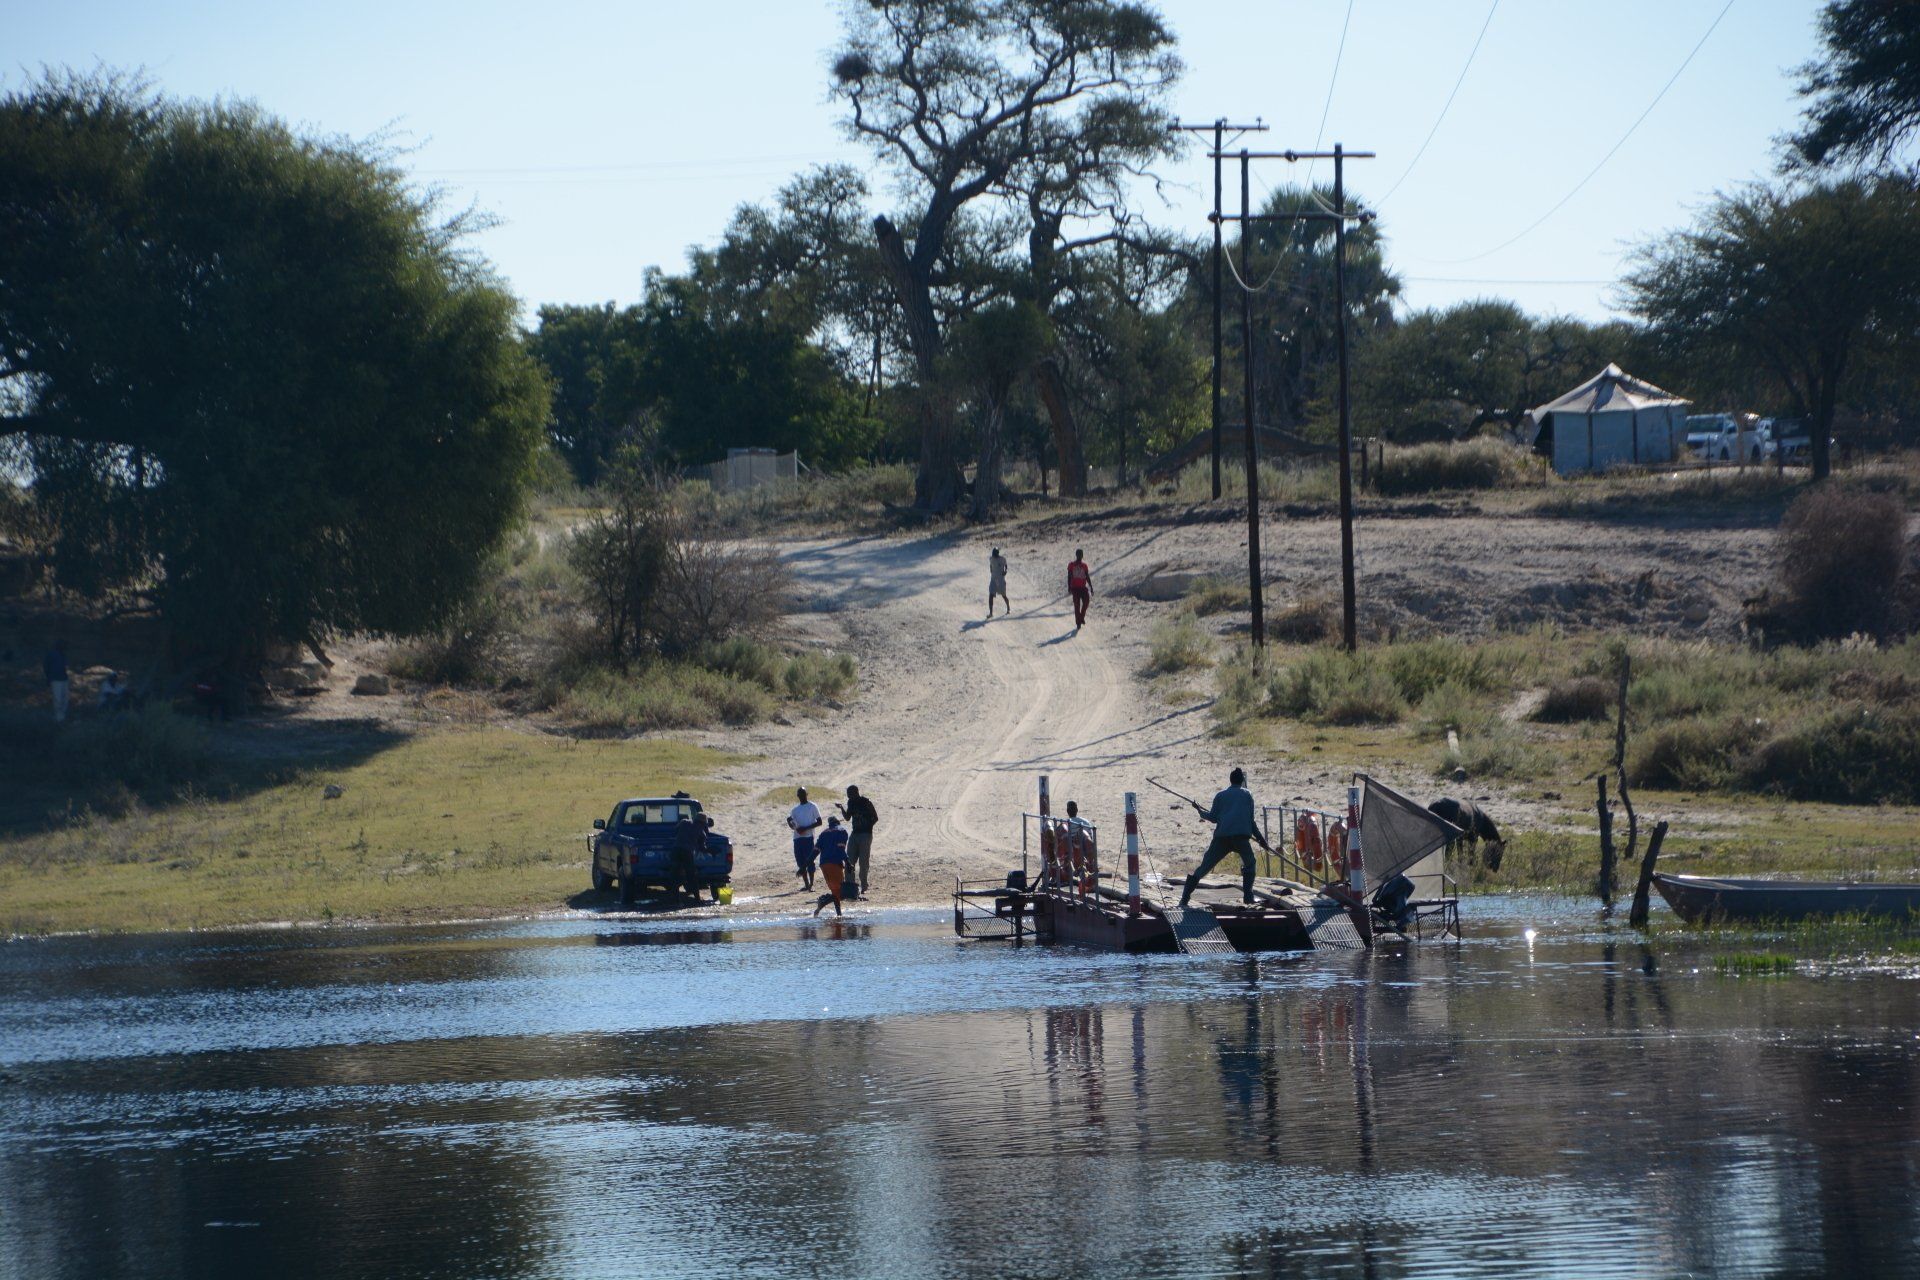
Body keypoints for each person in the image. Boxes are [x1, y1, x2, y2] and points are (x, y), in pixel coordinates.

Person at [1177, 767, 1273, 908]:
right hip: (1241, 838)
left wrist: (1199, 810)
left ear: (1230, 780)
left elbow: (1213, 818)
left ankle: (1184, 899)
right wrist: (1261, 840)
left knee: (1204, 867)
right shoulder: (1248, 795)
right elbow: (1251, 822)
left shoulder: (1220, 795)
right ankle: (1248, 897)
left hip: (1222, 838)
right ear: (1242, 781)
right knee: (1250, 863)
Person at [837, 785, 879, 894]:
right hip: (854, 834)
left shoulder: (866, 802)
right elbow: (847, 818)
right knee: (849, 860)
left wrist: (867, 827)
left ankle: (864, 886)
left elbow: (875, 818)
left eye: (849, 794)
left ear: (856, 792)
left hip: (865, 835)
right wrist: (841, 808)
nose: (848, 797)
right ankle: (850, 886)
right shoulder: (850, 803)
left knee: (863, 862)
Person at [812, 816, 851, 917]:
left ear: (829, 824)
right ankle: (822, 903)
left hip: (824, 865)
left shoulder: (824, 833)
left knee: (835, 891)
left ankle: (839, 914)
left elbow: (816, 851)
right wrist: (848, 862)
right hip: (835, 864)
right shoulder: (842, 831)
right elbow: (841, 849)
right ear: (838, 822)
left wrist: (805, 864)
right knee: (840, 893)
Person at [788, 787, 824, 890]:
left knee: (810, 861)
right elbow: (793, 825)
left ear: (807, 794)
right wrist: (790, 823)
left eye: (803, 794)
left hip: (808, 838)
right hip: (797, 838)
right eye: (800, 794)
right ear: (797, 796)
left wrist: (806, 828)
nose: (802, 796)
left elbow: (819, 822)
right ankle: (806, 884)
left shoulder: (812, 806)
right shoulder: (794, 810)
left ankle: (811, 884)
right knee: (800, 861)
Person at [671, 812, 707, 902]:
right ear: (703, 823)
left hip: (676, 851)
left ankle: (675, 899)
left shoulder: (684, 822)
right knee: (691, 875)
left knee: (675, 875)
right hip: (687, 852)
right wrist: (710, 850)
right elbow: (702, 847)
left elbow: (674, 831)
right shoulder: (701, 832)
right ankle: (697, 899)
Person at [43, 639, 69, 724]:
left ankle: (63, 716)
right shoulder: (51, 654)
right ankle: (58, 718)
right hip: (55, 679)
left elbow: (64, 667)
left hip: (64, 679)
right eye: (61, 645)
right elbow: (46, 667)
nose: (63, 647)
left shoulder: (63, 654)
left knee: (65, 698)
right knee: (57, 699)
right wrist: (48, 678)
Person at [1066, 549, 1092, 631]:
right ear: (1076, 555)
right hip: (1075, 588)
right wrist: (1069, 587)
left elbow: (1087, 576)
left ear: (1082, 556)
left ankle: (1081, 617)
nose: (1080, 556)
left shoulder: (1084, 566)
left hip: (1083, 588)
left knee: (1086, 601)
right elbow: (1069, 576)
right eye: (1078, 554)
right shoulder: (1071, 565)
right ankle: (1078, 622)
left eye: (1081, 555)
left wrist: (1091, 586)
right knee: (1077, 605)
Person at [988, 547, 1010, 617]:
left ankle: (1008, 608)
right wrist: (991, 570)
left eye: (995, 554)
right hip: (993, 580)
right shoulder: (991, 559)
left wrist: (1005, 571)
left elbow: (1006, 565)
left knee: (1004, 595)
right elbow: (990, 566)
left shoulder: (1002, 559)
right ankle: (991, 613)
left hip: (1000, 580)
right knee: (991, 595)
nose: (994, 555)